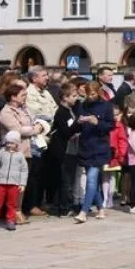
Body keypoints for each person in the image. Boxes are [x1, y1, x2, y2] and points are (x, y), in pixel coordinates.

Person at [0, 82, 43, 226]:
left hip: (27, 151)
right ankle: (12, 212)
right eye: (22, 95)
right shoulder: (6, 112)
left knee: (22, 184)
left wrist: (36, 126)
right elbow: (16, 129)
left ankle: (18, 209)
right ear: (13, 97)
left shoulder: (24, 110)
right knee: (12, 184)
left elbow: (30, 123)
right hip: (13, 153)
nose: (25, 98)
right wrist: (35, 129)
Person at [74, 82, 113, 223]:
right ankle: (101, 208)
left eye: (93, 94)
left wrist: (97, 122)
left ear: (98, 92)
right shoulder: (82, 105)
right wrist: (79, 122)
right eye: (88, 94)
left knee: (91, 179)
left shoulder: (106, 106)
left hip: (100, 148)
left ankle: (83, 211)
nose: (90, 97)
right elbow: (77, 124)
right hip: (85, 146)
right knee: (93, 182)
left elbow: (110, 126)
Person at [24, 66, 57, 218]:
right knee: (34, 174)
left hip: (48, 138)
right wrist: (49, 117)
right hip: (37, 139)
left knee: (44, 173)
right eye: (43, 75)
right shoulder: (30, 93)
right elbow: (39, 115)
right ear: (34, 78)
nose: (47, 78)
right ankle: (31, 205)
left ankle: (39, 201)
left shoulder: (46, 92)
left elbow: (54, 110)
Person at [51, 83, 82, 217]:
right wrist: (78, 123)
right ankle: (63, 207)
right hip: (64, 150)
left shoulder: (72, 110)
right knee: (65, 180)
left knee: (69, 178)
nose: (76, 98)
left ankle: (67, 204)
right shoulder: (61, 112)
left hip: (73, 149)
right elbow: (66, 131)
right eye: (73, 96)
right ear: (64, 97)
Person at [0, 130, 28, 232]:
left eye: (12, 143)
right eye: (8, 142)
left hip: (14, 183)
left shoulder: (20, 155)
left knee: (12, 204)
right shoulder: (2, 152)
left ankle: (10, 220)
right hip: (0, 182)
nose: (10, 145)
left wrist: (22, 183)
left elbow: (24, 170)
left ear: (17, 144)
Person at [102, 105, 127, 209]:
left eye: (117, 114)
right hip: (104, 153)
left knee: (112, 176)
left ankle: (110, 198)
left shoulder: (119, 126)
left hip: (114, 154)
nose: (115, 117)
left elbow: (122, 141)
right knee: (104, 176)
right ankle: (104, 198)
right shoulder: (105, 125)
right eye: (113, 114)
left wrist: (121, 154)